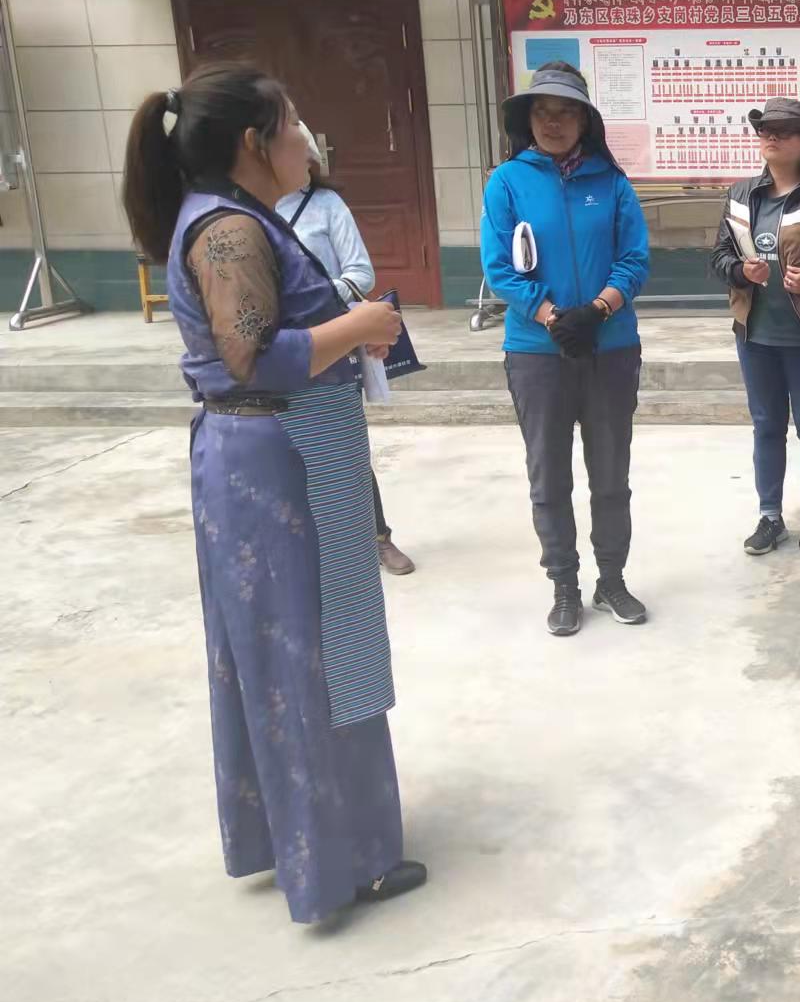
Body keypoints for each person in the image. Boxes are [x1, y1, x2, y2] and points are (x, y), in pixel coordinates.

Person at [122, 62, 425, 923]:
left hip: (286, 451)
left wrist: (348, 334)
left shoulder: (239, 217)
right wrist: (360, 324)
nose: (306, 140)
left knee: (294, 650)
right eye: (293, 124)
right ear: (255, 143)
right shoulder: (227, 230)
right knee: (311, 655)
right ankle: (341, 865)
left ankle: (289, 838)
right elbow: (254, 353)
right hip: (277, 460)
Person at [480, 62, 651, 637]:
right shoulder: (507, 183)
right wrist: (552, 316)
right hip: (537, 353)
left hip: (610, 348)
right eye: (542, 112)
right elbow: (499, 269)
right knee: (549, 476)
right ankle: (564, 585)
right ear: (527, 120)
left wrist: (597, 310)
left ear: (585, 121)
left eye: (566, 112)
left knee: (611, 474)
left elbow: (634, 260)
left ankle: (612, 580)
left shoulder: (612, 183)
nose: (553, 122)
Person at [710, 97, 800, 558]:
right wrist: (739, 271)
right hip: (755, 335)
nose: (770, 136)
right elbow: (720, 256)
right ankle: (770, 516)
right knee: (767, 426)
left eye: (783, 130)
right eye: (764, 129)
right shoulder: (740, 194)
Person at [277, 146, 415, 576]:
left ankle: (378, 538)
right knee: (283, 455)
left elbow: (360, 272)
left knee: (345, 449)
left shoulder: (325, 204)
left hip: (332, 343)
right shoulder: (245, 212)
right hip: (278, 348)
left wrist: (313, 301)